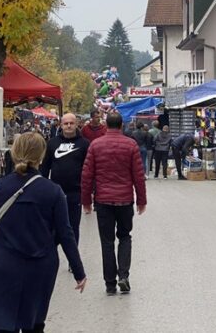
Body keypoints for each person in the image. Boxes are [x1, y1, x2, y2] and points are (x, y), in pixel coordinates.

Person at [0, 132, 86, 333]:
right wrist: (78, 272)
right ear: (41, 157)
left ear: (14, 153)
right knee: (34, 322)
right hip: (40, 267)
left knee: (4, 324)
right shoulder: (53, 190)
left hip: (1, 266)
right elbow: (66, 233)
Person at [82, 111, 146, 295]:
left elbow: (87, 176)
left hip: (103, 201)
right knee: (125, 237)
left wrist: (86, 201)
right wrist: (141, 200)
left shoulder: (95, 145)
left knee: (107, 241)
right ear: (121, 126)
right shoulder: (131, 145)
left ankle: (110, 284)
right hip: (125, 200)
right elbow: (138, 176)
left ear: (106, 125)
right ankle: (124, 276)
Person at [40, 113, 91, 246]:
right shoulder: (52, 143)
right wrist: (41, 189)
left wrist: (89, 191)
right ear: (61, 125)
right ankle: (50, 259)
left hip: (75, 192)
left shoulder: (85, 144)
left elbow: (89, 170)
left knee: (73, 228)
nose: (69, 126)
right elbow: (44, 167)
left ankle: (73, 262)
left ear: (77, 124)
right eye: (66, 123)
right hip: (56, 193)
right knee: (53, 228)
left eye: (71, 123)